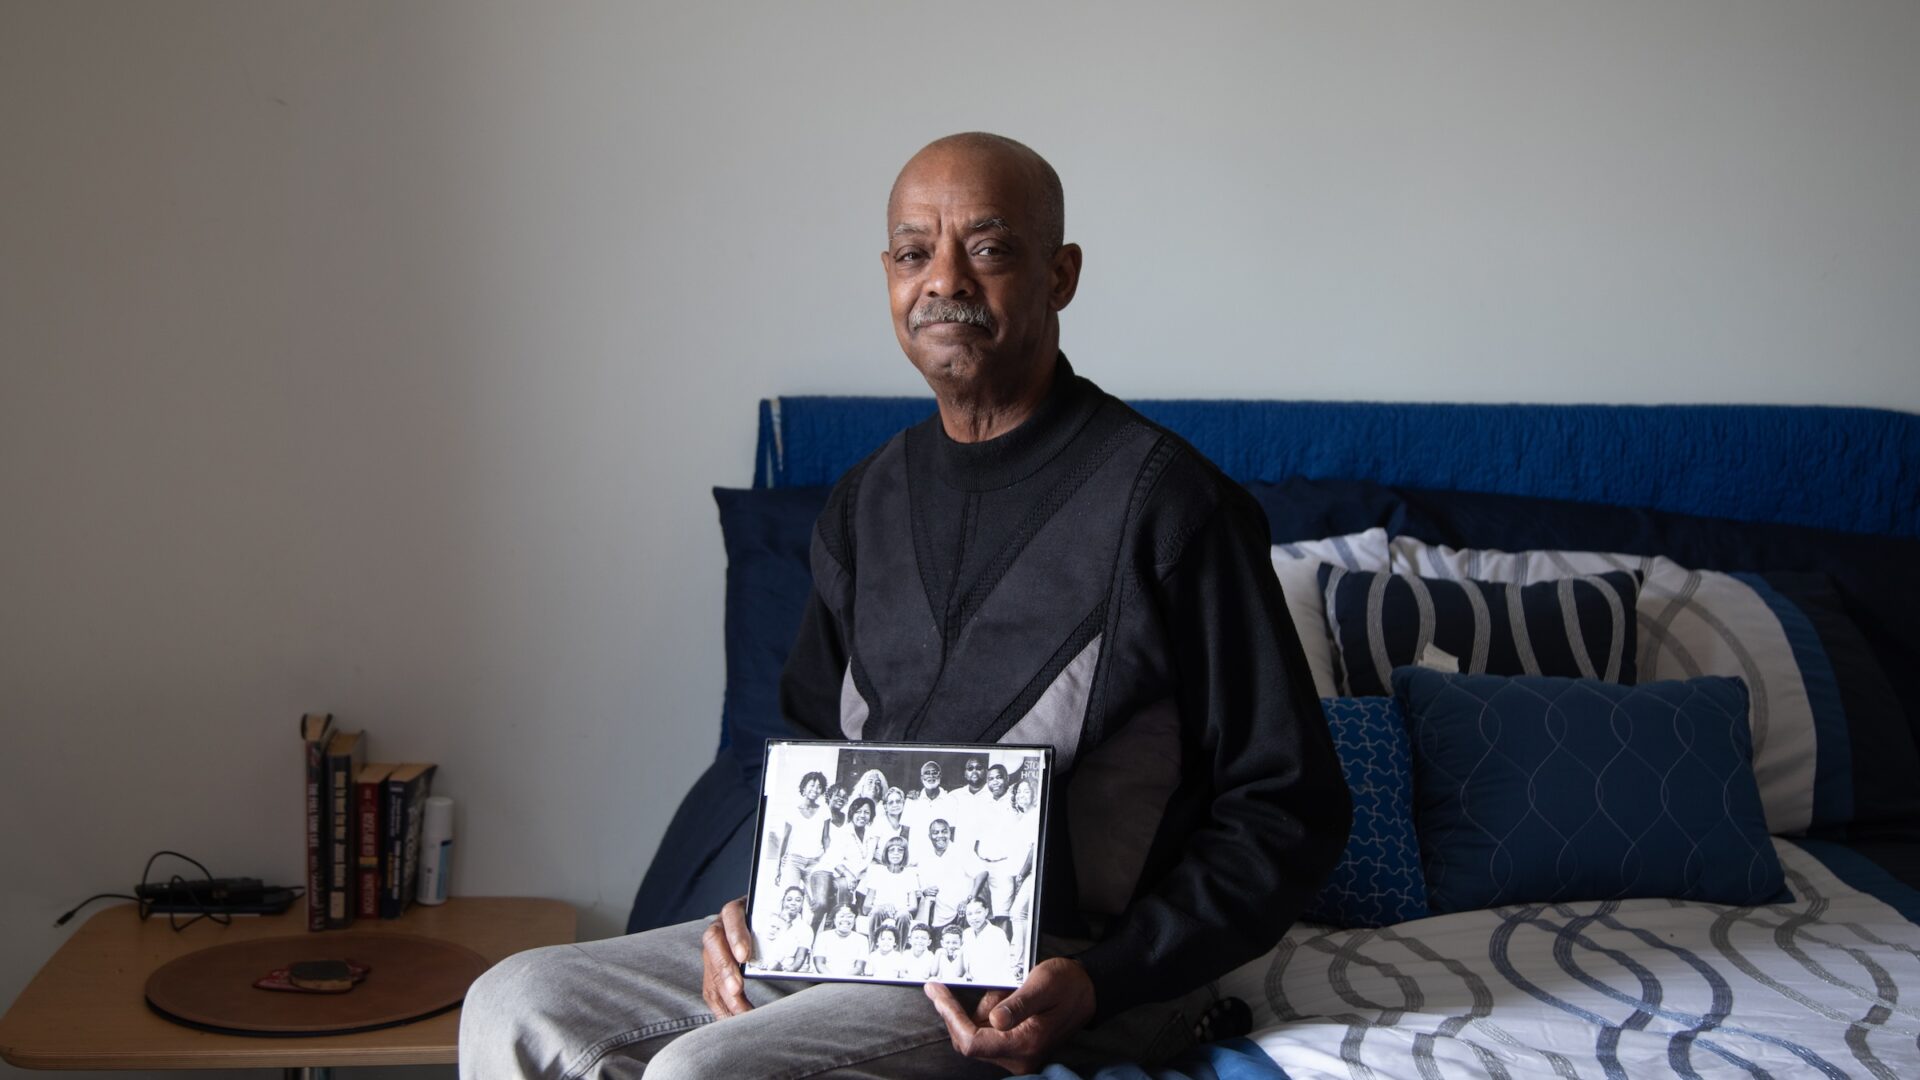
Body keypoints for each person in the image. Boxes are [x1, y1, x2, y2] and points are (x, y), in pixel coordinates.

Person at [458, 131, 1349, 1079]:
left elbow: (1287, 807)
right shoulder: (862, 505)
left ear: (1060, 276)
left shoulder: (1171, 507)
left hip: (1063, 967)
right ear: (889, 276)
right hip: (851, 935)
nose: (945, 280)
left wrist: (1110, 976)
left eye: (989, 248)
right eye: (915, 252)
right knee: (514, 1001)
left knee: (703, 1071)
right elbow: (802, 757)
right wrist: (761, 901)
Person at [857, 834, 920, 948]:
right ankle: (874, 949)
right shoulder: (878, 872)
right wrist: (884, 907)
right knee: (876, 911)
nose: (896, 853)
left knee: (903, 915)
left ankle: (899, 951)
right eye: (892, 850)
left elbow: (913, 906)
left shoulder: (909, 874)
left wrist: (898, 909)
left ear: (905, 854)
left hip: (901, 911)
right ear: (886, 853)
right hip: (879, 909)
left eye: (900, 850)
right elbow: (866, 906)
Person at [749, 886, 815, 974]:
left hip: (785, 972)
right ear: (783, 901)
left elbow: (800, 959)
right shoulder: (770, 921)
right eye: (789, 899)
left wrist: (784, 972)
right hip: (759, 968)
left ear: (802, 904)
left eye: (798, 900)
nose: (793, 903)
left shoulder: (805, 929)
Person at [810, 904, 870, 977]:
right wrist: (833, 979)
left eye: (850, 916)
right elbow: (819, 964)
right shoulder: (823, 937)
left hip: (850, 980)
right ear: (834, 919)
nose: (845, 919)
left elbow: (859, 968)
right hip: (826, 978)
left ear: (855, 919)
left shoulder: (862, 940)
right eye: (841, 916)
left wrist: (843, 979)